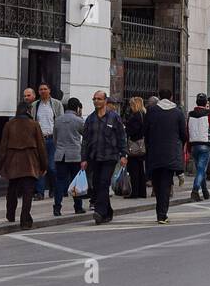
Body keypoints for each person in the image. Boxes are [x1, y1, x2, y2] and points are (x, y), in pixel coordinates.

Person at [0, 101, 48, 229]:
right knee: (27, 193)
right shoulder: (34, 125)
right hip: (30, 162)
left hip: (13, 162)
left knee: (12, 190)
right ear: (29, 111)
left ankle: (10, 214)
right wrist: (44, 165)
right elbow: (41, 146)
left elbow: (2, 147)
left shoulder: (9, 125)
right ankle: (25, 220)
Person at [80, 90, 127, 225]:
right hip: (94, 157)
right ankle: (108, 212)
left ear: (105, 101)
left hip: (110, 157)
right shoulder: (90, 119)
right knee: (97, 184)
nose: (96, 101)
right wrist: (84, 159)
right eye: (94, 99)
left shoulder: (114, 117)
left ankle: (99, 212)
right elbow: (85, 141)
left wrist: (123, 155)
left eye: (99, 99)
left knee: (103, 182)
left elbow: (121, 137)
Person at [144, 86, 187, 224]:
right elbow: (184, 134)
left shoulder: (151, 111)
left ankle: (160, 212)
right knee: (166, 184)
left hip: (155, 153)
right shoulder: (178, 112)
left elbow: (146, 131)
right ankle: (162, 214)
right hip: (170, 153)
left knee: (157, 183)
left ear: (159, 96)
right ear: (171, 97)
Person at [53, 98, 87, 217]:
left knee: (60, 181)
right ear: (77, 108)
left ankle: (57, 207)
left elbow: (55, 139)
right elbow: (86, 137)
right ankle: (78, 206)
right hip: (74, 155)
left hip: (60, 155)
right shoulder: (79, 121)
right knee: (76, 181)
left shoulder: (58, 120)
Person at [32, 84, 62, 201]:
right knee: (40, 166)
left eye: (45, 89)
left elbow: (60, 121)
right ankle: (40, 192)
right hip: (39, 139)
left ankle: (54, 189)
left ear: (49, 90)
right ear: (38, 92)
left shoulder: (56, 104)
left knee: (52, 166)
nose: (43, 91)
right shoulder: (35, 105)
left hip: (52, 138)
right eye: (41, 89)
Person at [123, 96, 148, 200]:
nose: (130, 107)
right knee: (141, 170)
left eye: (131, 105)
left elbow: (132, 130)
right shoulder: (144, 115)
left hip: (134, 146)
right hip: (142, 145)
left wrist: (126, 127)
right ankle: (142, 192)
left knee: (134, 170)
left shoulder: (136, 116)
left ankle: (135, 192)